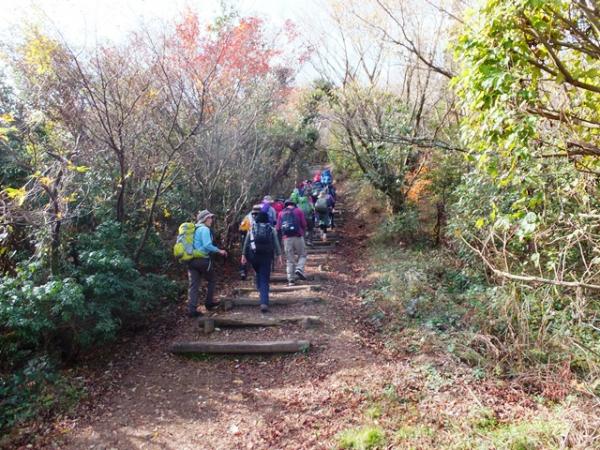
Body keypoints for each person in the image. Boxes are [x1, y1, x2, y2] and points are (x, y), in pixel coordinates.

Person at [187, 210, 227, 318]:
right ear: (205, 219)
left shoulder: (193, 229)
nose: (211, 220)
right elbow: (207, 245)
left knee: (193, 285)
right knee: (212, 279)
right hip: (202, 260)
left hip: (191, 260)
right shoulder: (204, 229)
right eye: (210, 218)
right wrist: (219, 251)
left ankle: (192, 310)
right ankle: (209, 303)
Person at [241, 211, 283, 313]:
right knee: (264, 278)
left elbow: (246, 242)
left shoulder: (252, 229)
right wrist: (279, 256)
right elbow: (276, 243)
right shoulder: (271, 229)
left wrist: (243, 255)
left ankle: (260, 289)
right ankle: (264, 302)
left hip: (254, 256)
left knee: (258, 273)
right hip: (266, 256)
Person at [276, 199, 308, 286]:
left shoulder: (281, 213)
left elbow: (278, 227)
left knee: (290, 260)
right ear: (294, 204)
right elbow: (304, 224)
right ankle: (299, 268)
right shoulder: (298, 211)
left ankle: (291, 280)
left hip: (286, 239)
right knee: (302, 255)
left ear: (286, 205)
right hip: (298, 237)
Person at [238, 204, 261, 280]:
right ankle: (256, 272)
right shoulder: (261, 217)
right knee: (254, 256)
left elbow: (240, 229)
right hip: (255, 240)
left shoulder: (247, 217)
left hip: (245, 238)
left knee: (245, 254)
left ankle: (243, 271)